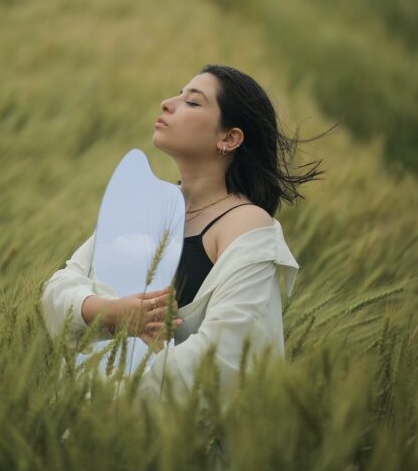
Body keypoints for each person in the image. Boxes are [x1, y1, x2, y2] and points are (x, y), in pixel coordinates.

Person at [40, 64, 336, 404]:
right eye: (177, 95)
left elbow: (226, 358)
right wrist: (111, 312)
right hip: (81, 424)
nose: (167, 103)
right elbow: (56, 290)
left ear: (229, 138)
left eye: (192, 102)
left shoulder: (245, 225)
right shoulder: (144, 205)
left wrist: (107, 398)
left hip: (164, 438)